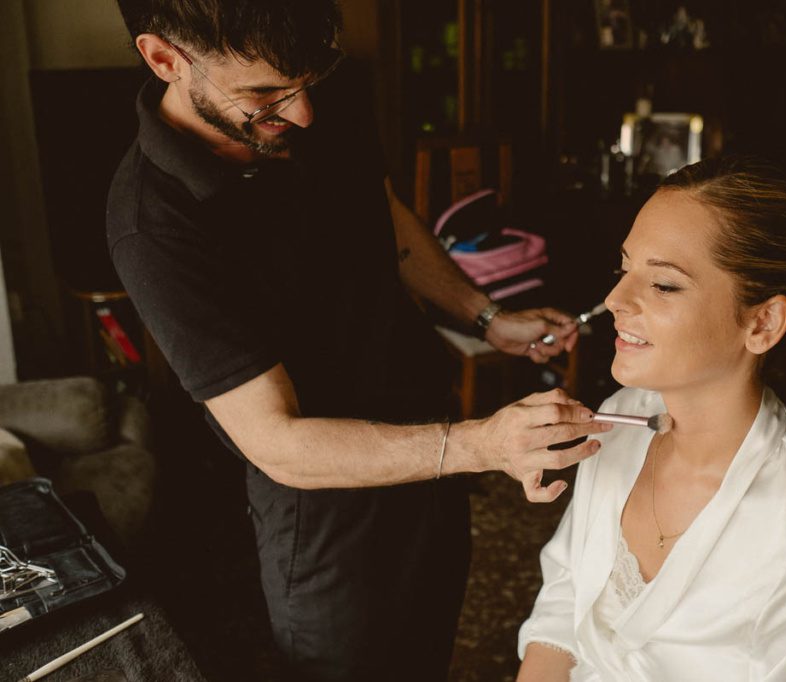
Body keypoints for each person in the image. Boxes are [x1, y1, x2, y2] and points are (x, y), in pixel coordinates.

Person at [106, 2, 610, 680]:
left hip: (432, 442)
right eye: (265, 96)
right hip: (323, 509)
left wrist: (484, 315)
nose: (305, 113)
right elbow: (278, 441)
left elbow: (384, 215)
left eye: (311, 82)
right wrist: (481, 445)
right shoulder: (154, 223)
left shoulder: (312, 87)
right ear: (165, 59)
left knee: (429, 653)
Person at [517, 156, 786, 681]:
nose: (614, 300)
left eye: (664, 285)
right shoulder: (621, 420)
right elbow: (567, 597)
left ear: (762, 322)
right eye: (624, 269)